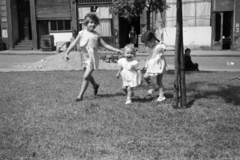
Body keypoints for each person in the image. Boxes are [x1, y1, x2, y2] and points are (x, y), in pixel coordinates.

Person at [65, 13, 123, 101]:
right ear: (86, 23)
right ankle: (95, 85)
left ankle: (80, 96)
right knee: (88, 76)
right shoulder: (81, 33)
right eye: (91, 22)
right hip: (84, 56)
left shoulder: (97, 35)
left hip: (92, 58)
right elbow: (74, 43)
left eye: (95, 23)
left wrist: (116, 50)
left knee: (85, 77)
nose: (93, 24)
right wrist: (67, 52)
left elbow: (106, 45)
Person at [141, 30, 168, 102]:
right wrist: (146, 65)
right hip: (151, 64)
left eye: (147, 43)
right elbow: (149, 56)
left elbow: (166, 49)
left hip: (158, 65)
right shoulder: (148, 48)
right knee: (145, 76)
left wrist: (164, 45)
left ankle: (161, 96)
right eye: (145, 44)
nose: (146, 45)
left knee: (159, 81)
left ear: (152, 40)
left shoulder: (159, 46)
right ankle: (152, 87)